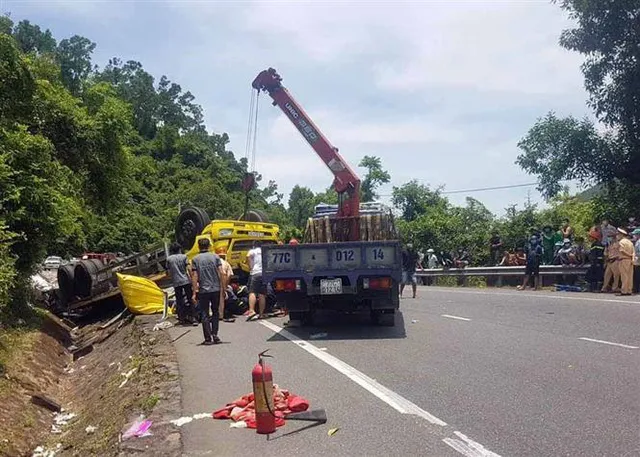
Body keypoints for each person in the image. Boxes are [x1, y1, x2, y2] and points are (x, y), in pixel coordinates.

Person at [191, 238, 224, 345]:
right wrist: (223, 288)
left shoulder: (195, 259)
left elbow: (195, 276)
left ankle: (208, 338)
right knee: (215, 312)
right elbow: (221, 273)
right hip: (216, 289)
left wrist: (194, 291)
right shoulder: (215, 257)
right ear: (209, 246)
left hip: (203, 290)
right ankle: (215, 334)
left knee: (204, 313)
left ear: (199, 246)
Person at [165, 243, 197, 326]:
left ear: (171, 250)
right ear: (179, 249)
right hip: (186, 280)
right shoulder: (184, 257)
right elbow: (189, 269)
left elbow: (167, 272)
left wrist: (171, 276)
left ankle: (181, 319)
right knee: (190, 299)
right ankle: (194, 318)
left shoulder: (169, 259)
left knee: (179, 301)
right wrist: (192, 278)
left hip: (176, 282)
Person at [246, 241, 267, 320]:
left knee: (252, 292)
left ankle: (251, 310)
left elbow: (248, 256)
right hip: (263, 273)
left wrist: (251, 267)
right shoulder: (264, 251)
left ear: (254, 245)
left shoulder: (252, 251)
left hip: (255, 273)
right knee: (262, 294)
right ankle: (261, 314)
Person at [215, 247, 236, 323]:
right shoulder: (226, 263)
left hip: (212, 282)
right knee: (221, 299)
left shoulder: (213, 262)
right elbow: (229, 275)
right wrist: (225, 286)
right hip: (221, 282)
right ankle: (220, 315)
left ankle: (212, 315)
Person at [616, 228, 634, 296]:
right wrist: (631, 257)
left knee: (624, 276)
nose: (617, 235)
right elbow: (633, 251)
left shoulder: (621, 242)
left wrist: (629, 255)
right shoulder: (630, 242)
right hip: (629, 260)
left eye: (618, 234)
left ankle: (624, 290)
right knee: (630, 276)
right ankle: (629, 290)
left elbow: (622, 250)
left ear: (621, 235)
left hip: (623, 260)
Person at [633, 228, 640, 294]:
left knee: (638, 276)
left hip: (638, 262)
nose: (633, 236)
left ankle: (638, 289)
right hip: (637, 261)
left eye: (635, 234)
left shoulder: (639, 242)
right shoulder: (637, 242)